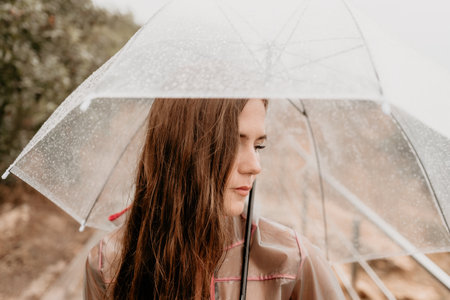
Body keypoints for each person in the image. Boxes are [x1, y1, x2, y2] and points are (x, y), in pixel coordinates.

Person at [84, 98, 345, 299]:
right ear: (185, 146)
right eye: (233, 142)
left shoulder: (293, 262)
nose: (255, 166)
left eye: (258, 146)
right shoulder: (109, 263)